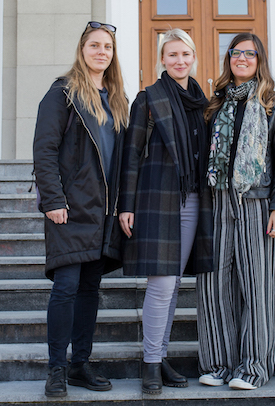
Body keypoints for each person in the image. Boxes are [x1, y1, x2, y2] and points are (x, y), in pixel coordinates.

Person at [32, 21, 130, 398]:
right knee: (66, 288)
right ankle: (56, 369)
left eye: (107, 46)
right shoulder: (63, 93)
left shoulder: (116, 98)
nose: (101, 51)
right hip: (70, 209)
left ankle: (79, 365)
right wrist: (53, 200)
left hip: (103, 211)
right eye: (94, 45)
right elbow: (44, 149)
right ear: (82, 49)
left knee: (90, 288)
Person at [196, 33, 275, 391]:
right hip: (219, 201)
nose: (241, 58)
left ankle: (252, 366)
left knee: (258, 286)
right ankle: (218, 363)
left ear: (259, 59)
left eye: (249, 54)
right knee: (213, 285)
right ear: (229, 58)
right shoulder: (214, 104)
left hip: (258, 203)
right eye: (236, 53)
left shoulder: (273, 103)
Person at [118, 29, 214, 395]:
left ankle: (159, 355)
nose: (179, 61)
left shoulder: (201, 102)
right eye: (172, 55)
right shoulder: (148, 99)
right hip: (156, 200)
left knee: (173, 284)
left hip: (191, 200)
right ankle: (150, 364)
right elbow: (131, 155)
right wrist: (125, 205)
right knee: (160, 285)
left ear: (193, 58)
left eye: (185, 55)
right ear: (162, 60)